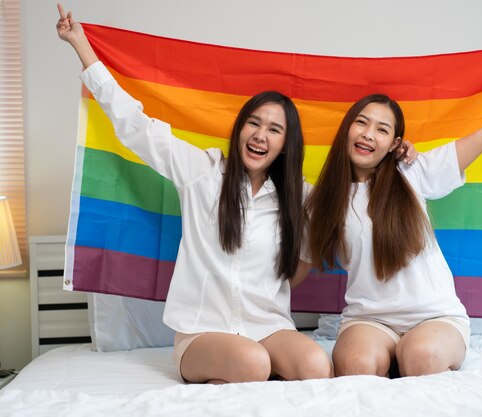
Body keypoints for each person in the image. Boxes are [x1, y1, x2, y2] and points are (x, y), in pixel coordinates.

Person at [56, 4, 332, 384]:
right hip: (204, 333)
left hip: (269, 327)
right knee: (253, 364)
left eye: (273, 129)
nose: (260, 135)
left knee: (317, 365)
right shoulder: (201, 172)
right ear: (239, 129)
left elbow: (351, 201)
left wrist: (404, 160)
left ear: (285, 145)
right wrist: (80, 45)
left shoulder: (299, 196)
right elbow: (135, 125)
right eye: (253, 123)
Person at [304, 43, 482, 377]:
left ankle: (413, 355)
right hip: (369, 320)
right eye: (361, 123)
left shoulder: (414, 172)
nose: (368, 134)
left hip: (435, 318)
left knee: (421, 357)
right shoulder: (322, 199)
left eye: (382, 129)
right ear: (347, 129)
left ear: (395, 143)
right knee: (355, 365)